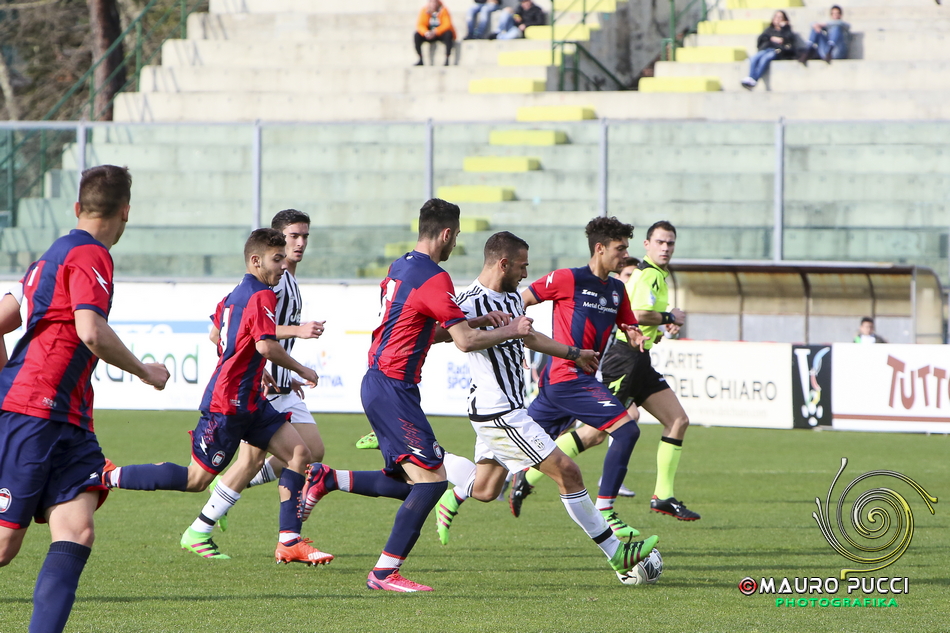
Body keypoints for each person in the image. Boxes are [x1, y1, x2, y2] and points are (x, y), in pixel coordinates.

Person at [299, 199, 533, 592]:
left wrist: (475, 319)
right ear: (445, 233)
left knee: (413, 482)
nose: (455, 244)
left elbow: (434, 330)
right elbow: (465, 342)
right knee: (432, 483)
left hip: (384, 384)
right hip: (392, 388)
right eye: (456, 237)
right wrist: (510, 330)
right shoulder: (434, 277)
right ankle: (383, 573)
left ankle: (329, 478)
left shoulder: (402, 266)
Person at [0, 165, 170, 633]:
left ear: (77, 207)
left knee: (77, 531)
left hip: (67, 419)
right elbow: (91, 331)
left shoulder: (51, 255)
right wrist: (145, 371)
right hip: (37, 411)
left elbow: (4, 318)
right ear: (126, 212)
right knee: (3, 547)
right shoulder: (91, 254)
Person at [433, 231, 659, 577]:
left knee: (485, 488)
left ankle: (418, 448)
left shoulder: (510, 299)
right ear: (503, 263)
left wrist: (575, 353)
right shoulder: (470, 300)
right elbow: (439, 335)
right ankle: (617, 553)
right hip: (498, 411)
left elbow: (531, 336)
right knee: (567, 471)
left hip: (508, 407)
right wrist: (492, 327)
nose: (526, 274)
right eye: (522, 267)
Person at [102, 229, 331, 566]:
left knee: (300, 454)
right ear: (256, 261)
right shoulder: (264, 295)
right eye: (276, 259)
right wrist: (302, 369)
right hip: (227, 404)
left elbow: (218, 334)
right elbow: (265, 344)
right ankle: (109, 475)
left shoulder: (234, 294)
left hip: (250, 399)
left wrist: (252, 366)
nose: (283, 265)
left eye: (284, 258)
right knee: (197, 480)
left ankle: (289, 542)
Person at [178, 209, 331, 558]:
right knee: (268, 458)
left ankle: (229, 510)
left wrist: (284, 373)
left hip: (277, 381)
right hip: (258, 388)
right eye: (294, 236)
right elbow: (251, 332)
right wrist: (296, 332)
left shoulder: (283, 282)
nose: (301, 243)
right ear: (273, 245)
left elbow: (233, 328)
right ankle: (272, 535)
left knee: (309, 451)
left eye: (305, 236)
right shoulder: (266, 287)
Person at [507, 217, 648, 545]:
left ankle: (454, 497)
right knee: (626, 430)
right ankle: (606, 509)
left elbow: (628, 324)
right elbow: (523, 298)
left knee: (504, 461)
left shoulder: (617, 290)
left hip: (566, 386)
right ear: (600, 249)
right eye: (620, 248)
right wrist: (514, 326)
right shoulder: (568, 278)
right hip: (567, 379)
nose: (625, 255)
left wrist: (635, 332)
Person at [601, 221, 700, 521]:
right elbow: (638, 313)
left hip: (639, 358)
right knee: (595, 433)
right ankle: (527, 477)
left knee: (678, 420)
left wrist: (661, 326)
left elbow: (644, 321)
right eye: (660, 242)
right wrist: (669, 315)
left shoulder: (657, 276)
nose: (666, 248)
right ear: (647, 244)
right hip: (624, 358)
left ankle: (663, 496)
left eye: (670, 243)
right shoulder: (647, 274)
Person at [740, 10, 796, 89]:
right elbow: (761, 39)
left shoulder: (786, 30)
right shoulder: (769, 30)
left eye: (780, 17)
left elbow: (789, 40)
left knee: (765, 59)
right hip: (766, 49)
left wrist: (784, 28)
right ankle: (751, 77)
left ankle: (754, 79)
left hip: (777, 51)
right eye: (776, 17)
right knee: (754, 58)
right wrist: (771, 38)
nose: (778, 19)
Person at [415, 0, 456, 66]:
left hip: (439, 33)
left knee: (448, 34)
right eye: (432, 2)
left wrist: (436, 31)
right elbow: (420, 24)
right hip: (429, 33)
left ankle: (447, 58)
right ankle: (420, 59)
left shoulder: (443, 10)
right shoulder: (425, 10)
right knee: (416, 35)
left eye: (435, 2)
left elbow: (447, 24)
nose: (433, 4)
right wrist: (426, 32)